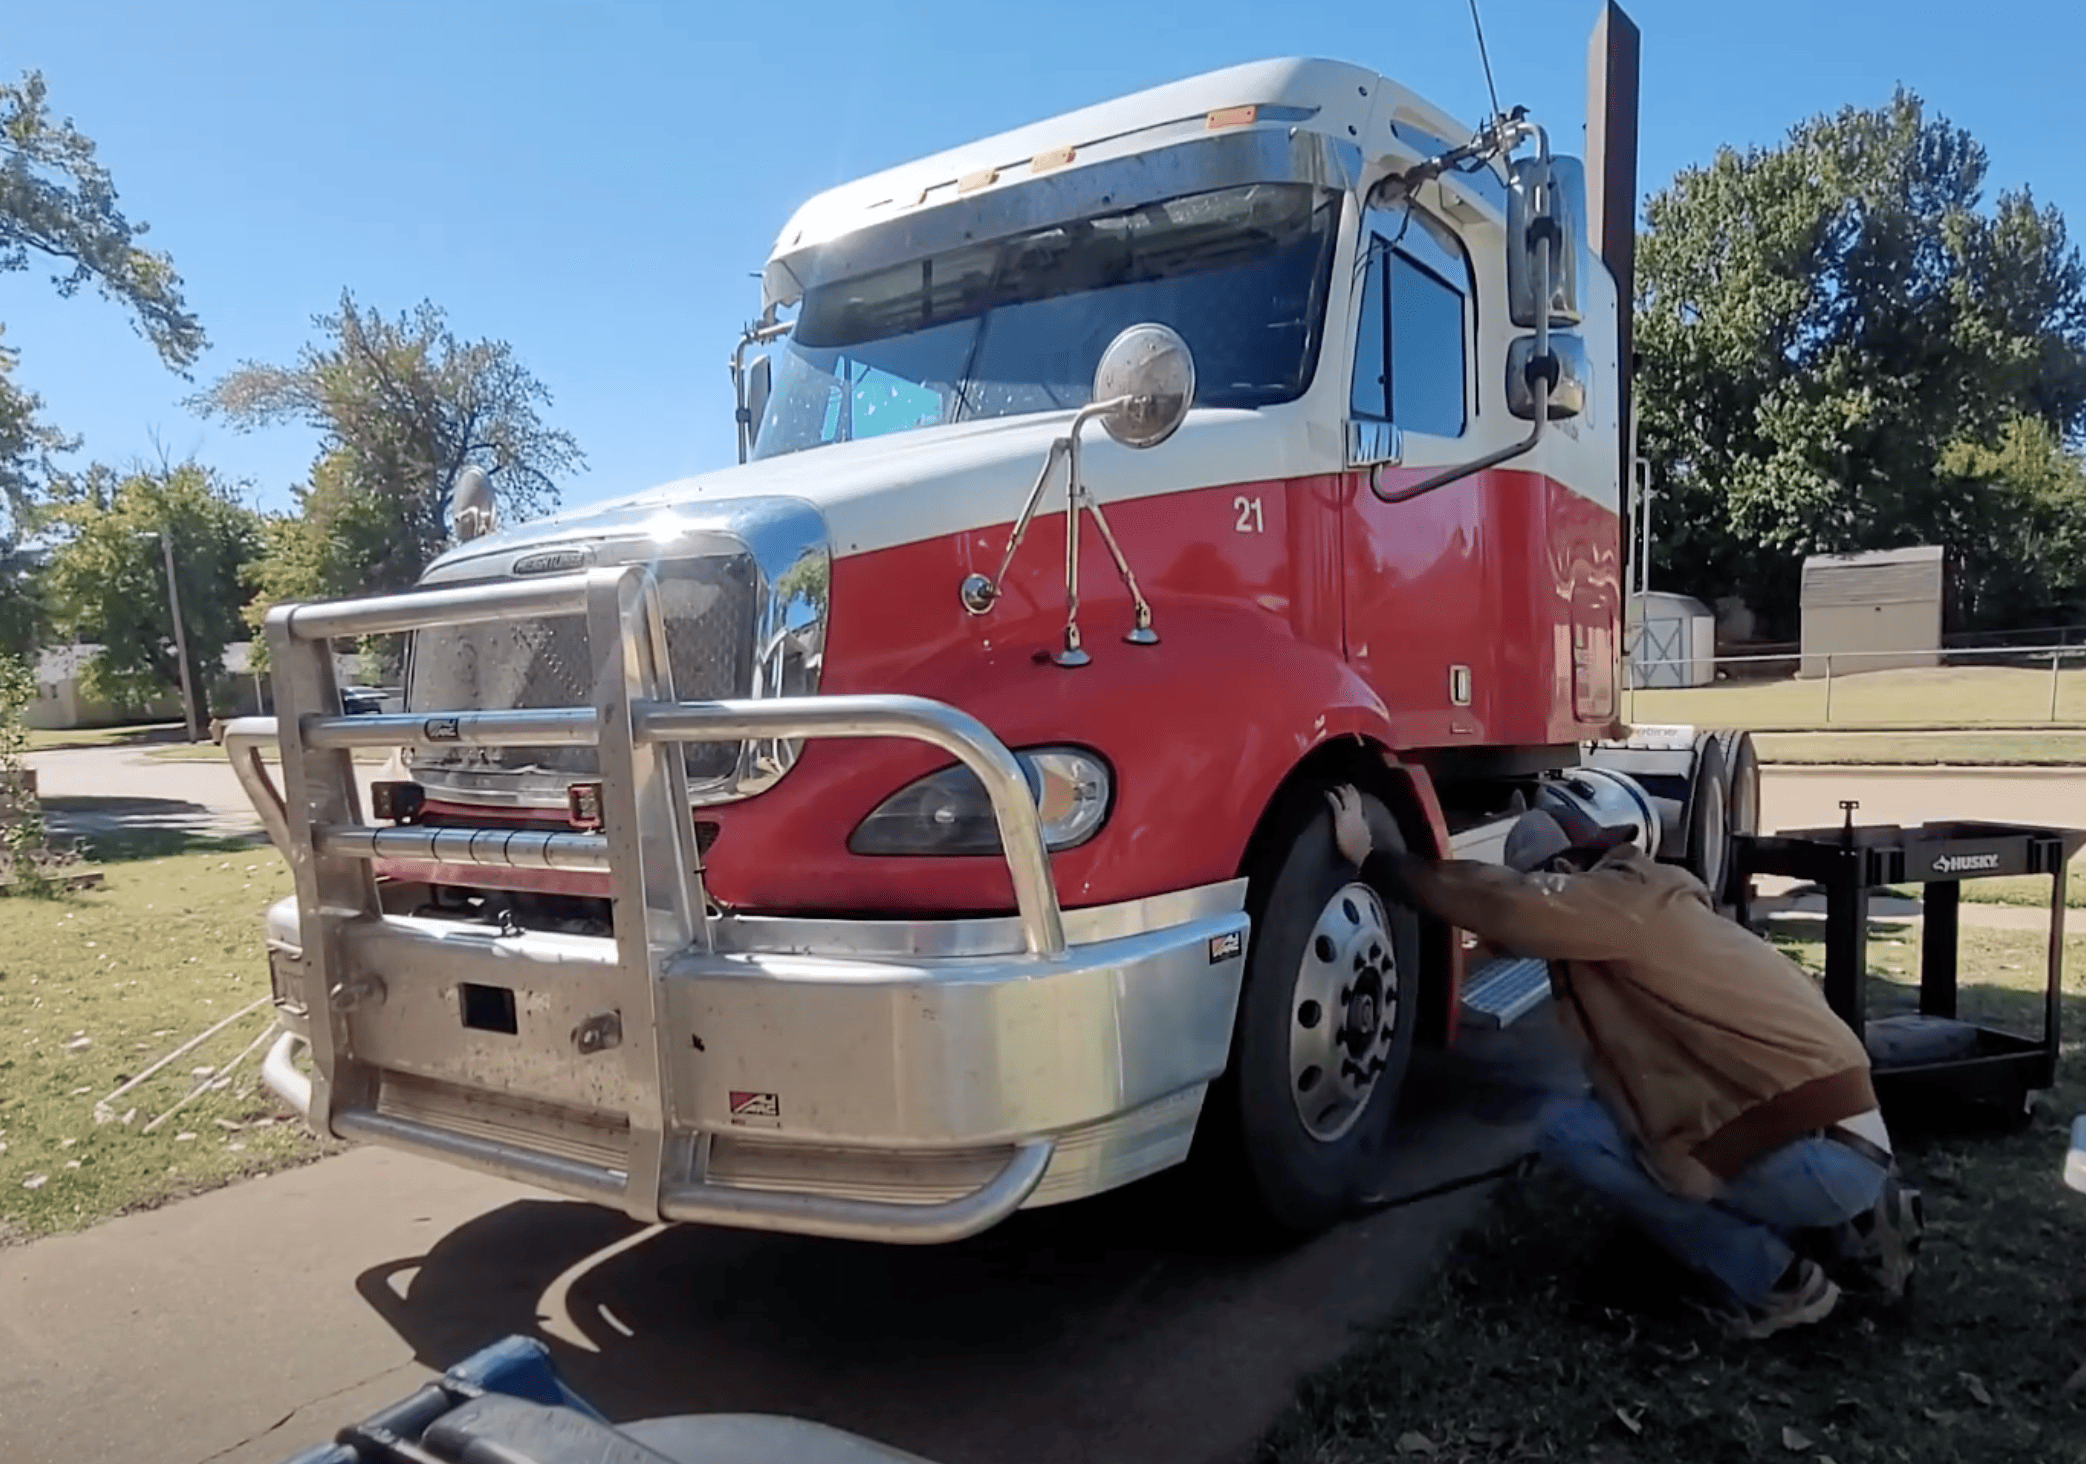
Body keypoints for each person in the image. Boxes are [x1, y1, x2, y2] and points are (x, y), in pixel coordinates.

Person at [1325, 785, 1923, 1339]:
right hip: (1843, 1135)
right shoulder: (1655, 911)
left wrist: (1374, 860)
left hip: (1821, 1149)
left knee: (1576, 1135)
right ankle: (1823, 1232)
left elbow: (1498, 904)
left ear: (1561, 874)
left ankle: (1779, 1282)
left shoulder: (1612, 907)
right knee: (1599, 1122)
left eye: (1537, 885)